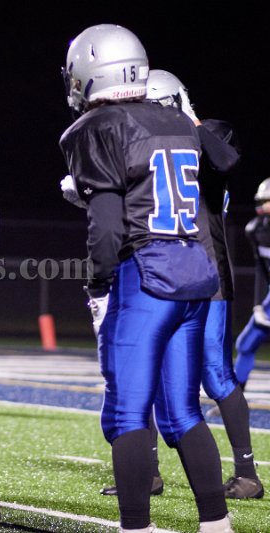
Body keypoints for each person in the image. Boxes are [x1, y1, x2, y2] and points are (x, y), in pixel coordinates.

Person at [59, 25, 232, 532]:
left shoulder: (95, 127)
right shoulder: (177, 121)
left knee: (127, 414)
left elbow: (108, 225)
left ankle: (136, 525)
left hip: (145, 276)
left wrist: (98, 282)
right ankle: (216, 524)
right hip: (194, 271)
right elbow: (216, 162)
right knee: (183, 413)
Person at [95, 70, 262, 501]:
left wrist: (190, 119)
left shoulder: (206, 134)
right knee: (145, 371)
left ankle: (247, 472)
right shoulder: (145, 140)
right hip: (156, 270)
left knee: (215, 374)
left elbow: (225, 159)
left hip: (207, 272)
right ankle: (148, 472)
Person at [234, 178, 270, 396]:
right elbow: (261, 269)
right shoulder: (256, 231)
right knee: (246, 344)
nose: (264, 206)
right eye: (263, 201)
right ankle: (236, 401)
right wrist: (258, 304)